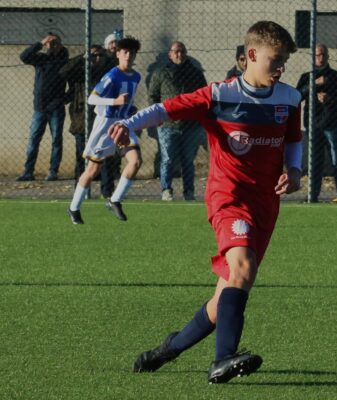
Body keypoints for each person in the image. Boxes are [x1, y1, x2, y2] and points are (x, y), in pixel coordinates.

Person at [108, 21, 302, 384]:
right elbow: (165, 109)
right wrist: (129, 124)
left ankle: (167, 350)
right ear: (251, 55)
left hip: (266, 205)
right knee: (241, 268)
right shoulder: (218, 95)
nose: (281, 69)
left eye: (285, 62)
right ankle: (223, 360)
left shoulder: (289, 98)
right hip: (229, 198)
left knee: (226, 295)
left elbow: (294, 138)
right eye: (275, 60)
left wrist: (294, 169)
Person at [67, 36, 142, 225]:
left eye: (132, 53)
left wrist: (129, 109)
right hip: (105, 125)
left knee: (135, 161)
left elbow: (127, 101)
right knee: (93, 169)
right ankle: (74, 208)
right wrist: (115, 102)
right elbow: (92, 99)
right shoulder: (112, 75)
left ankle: (114, 200)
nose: (129, 56)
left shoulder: (136, 76)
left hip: (124, 123)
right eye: (125, 52)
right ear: (117, 54)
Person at [296, 43, 337, 203]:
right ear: (312, 57)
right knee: (314, 162)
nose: (320, 58)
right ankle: (312, 195)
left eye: (323, 55)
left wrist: (331, 99)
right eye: (317, 55)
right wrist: (313, 84)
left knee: (336, 160)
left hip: (332, 125)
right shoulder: (307, 77)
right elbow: (297, 96)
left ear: (328, 56)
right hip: (313, 125)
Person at [148, 40, 208, 201]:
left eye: (181, 51)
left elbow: (204, 96)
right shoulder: (161, 73)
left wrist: (201, 117)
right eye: (175, 51)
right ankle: (166, 190)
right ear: (170, 54)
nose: (179, 54)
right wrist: (157, 116)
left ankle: (189, 192)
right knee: (167, 159)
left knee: (188, 161)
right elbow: (153, 96)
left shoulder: (195, 73)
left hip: (191, 125)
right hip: (167, 124)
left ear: (185, 53)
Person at [17, 33, 69, 181]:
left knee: (56, 140)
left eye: (55, 43)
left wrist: (63, 99)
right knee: (33, 140)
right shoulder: (41, 59)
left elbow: (75, 81)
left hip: (56, 108)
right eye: (50, 43)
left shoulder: (64, 60)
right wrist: (40, 43)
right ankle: (28, 171)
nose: (52, 45)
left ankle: (53, 171)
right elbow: (24, 57)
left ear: (61, 44)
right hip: (39, 107)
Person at [59, 45, 108, 181]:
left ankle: (106, 190)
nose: (97, 59)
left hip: (102, 118)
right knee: (81, 153)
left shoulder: (108, 73)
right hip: (81, 118)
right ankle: (80, 184)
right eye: (93, 56)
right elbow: (64, 71)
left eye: (100, 56)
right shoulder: (80, 73)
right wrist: (83, 57)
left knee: (103, 154)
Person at [99, 32, 123, 199]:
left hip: (119, 113)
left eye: (117, 43)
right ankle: (103, 189)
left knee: (115, 152)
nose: (114, 45)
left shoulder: (123, 67)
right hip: (103, 113)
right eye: (111, 43)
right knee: (101, 152)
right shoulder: (103, 64)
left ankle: (111, 188)